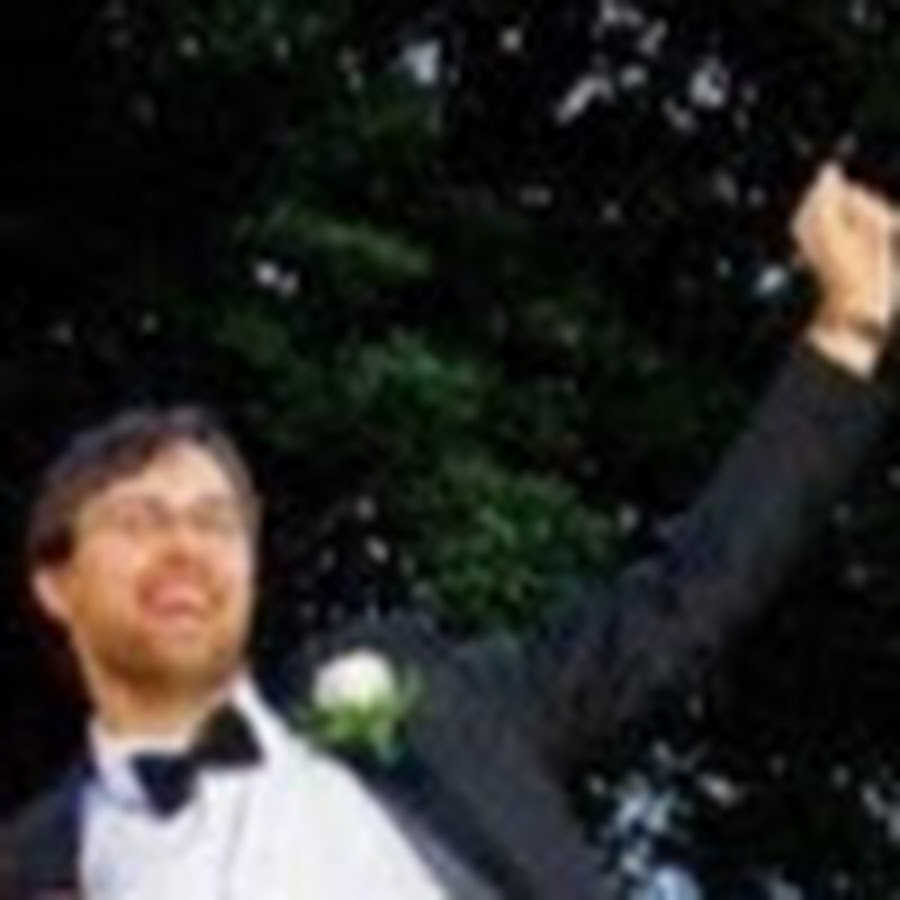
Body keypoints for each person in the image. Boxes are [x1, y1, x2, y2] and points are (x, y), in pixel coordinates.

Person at [9, 164, 898, 899]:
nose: (185, 548)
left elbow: (684, 600)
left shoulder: (435, 703)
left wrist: (849, 325)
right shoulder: (42, 864)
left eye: (214, 520)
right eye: (138, 520)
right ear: (55, 582)